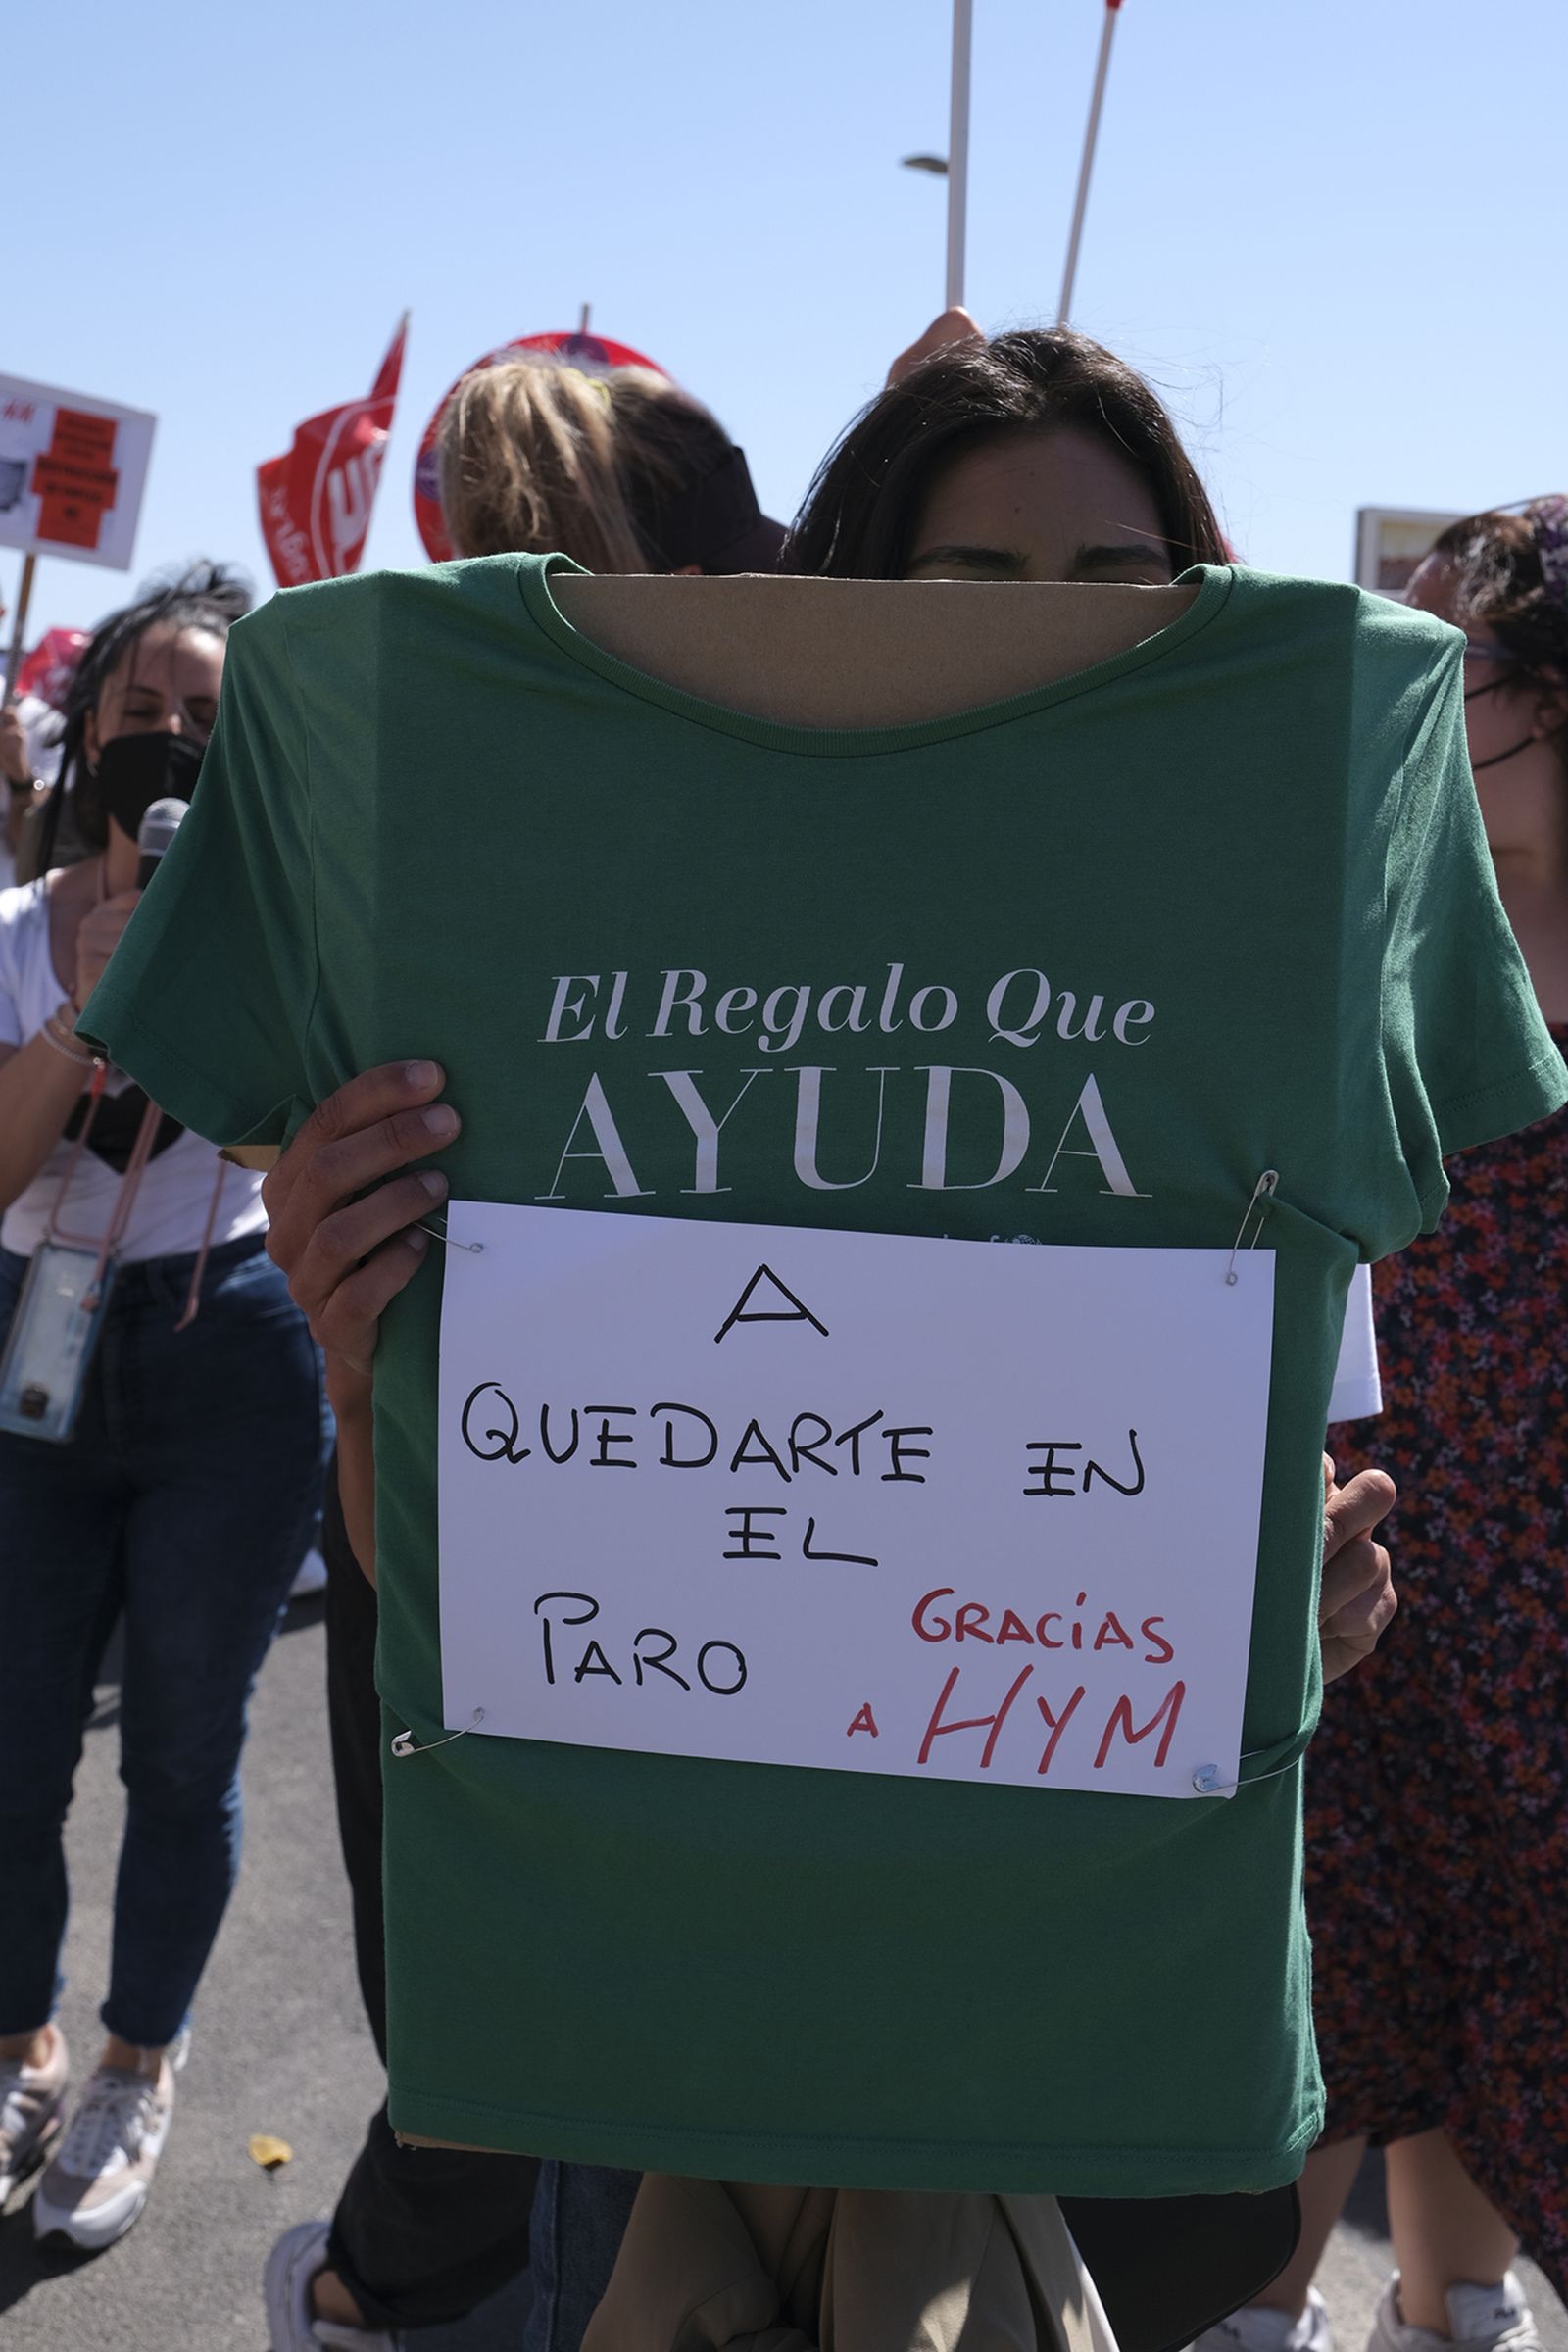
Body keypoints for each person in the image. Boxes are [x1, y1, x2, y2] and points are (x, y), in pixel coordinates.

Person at [238, 321, 1436, 2352]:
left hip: (1042, 2001)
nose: (1048, 637)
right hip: (660, 2013)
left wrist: (1304, 1608)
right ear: (846, 613)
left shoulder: (1256, 984)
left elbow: (1292, 1515)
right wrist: (368, 1363)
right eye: (972, 583)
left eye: (1117, 583)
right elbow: (440, 1561)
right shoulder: (618, 945)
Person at [261, 350, 784, 2352]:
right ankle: (404, 2272)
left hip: (629, 1491)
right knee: (516, 2006)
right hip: (498, 1477)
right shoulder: (414, 828)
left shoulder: (439, 812)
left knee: (516, 2006)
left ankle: (397, 2276)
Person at [1203, 500, 1568, 2352]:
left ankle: (1456, 2315)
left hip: (1541, 1621)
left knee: (1508, 1991)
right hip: (1348, 1564)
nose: (1398, 687)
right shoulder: (1352, 920)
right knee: (1333, 1992)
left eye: (1448, 654)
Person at [0, 564, 329, 2250]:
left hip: (230, 1352)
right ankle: (19, 2042)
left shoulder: (293, 922)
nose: (171, 737)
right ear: (89, 733)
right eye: (141, 708)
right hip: (31, 1351)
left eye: (207, 714)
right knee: (12, 1743)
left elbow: (299, 1134)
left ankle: (137, 2060)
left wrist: (202, 966)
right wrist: (86, 1005)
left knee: (186, 1748)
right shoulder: (14, 925)